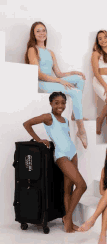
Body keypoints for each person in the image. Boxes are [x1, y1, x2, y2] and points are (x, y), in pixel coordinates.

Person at [23, 92, 87, 233]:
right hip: (61, 156)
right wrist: (39, 140)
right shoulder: (48, 117)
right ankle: (67, 218)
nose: (60, 105)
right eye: (56, 102)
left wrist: (74, 151)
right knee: (82, 186)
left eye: (63, 103)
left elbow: (66, 137)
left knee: (68, 189)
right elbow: (27, 124)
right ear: (51, 103)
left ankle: (68, 225)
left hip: (73, 153)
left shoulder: (65, 120)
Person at [24, 21, 88, 149]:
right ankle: (81, 130)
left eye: (43, 30)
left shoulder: (50, 52)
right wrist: (59, 81)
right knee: (74, 92)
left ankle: (75, 114)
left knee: (80, 79)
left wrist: (74, 72)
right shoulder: (32, 50)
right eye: (38, 31)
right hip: (41, 84)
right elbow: (39, 74)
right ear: (33, 34)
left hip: (52, 81)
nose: (42, 33)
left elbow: (58, 73)